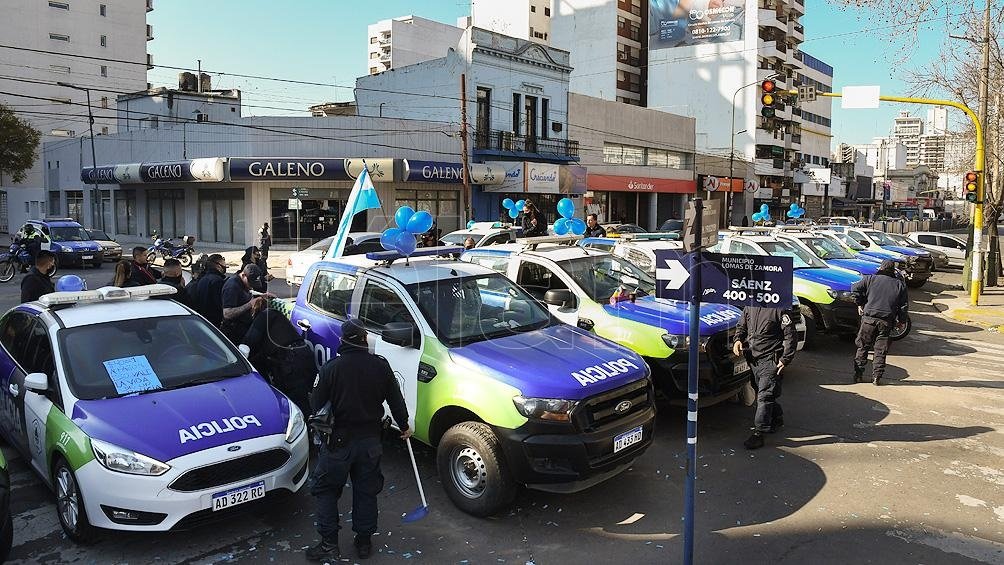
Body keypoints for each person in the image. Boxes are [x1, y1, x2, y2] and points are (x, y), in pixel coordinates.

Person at [306, 319, 411, 562]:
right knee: (366, 491)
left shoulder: (331, 368)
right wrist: (404, 425)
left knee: (326, 490)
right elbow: (396, 400)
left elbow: (316, 404)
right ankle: (364, 542)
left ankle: (329, 545)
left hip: (338, 444)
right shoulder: (380, 366)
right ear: (365, 340)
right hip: (371, 442)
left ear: (342, 341)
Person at [732, 305, 797, 450]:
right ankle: (776, 416)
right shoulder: (750, 305)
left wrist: (785, 359)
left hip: (770, 359)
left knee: (764, 396)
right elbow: (742, 325)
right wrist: (738, 339)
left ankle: (759, 433)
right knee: (759, 389)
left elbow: (791, 335)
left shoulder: (780, 308)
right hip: (753, 358)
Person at [240, 307, 315, 421]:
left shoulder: (263, 317)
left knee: (294, 406)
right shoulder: (276, 318)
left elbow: (248, 344)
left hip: (290, 362)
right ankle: (311, 431)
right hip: (304, 354)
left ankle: (302, 433)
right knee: (305, 401)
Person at [851, 259, 908, 386]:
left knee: (863, 347)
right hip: (886, 321)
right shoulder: (899, 285)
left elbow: (854, 288)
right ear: (893, 270)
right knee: (880, 350)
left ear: (881, 268)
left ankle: (858, 375)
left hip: (868, 319)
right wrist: (901, 321)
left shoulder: (869, 279)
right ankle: (877, 377)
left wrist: (860, 304)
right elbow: (903, 306)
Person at [221, 264, 271, 342]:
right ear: (243, 275)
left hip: (244, 327)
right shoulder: (232, 286)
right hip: (233, 333)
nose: (251, 286)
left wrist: (262, 295)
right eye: (250, 283)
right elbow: (227, 313)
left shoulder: (243, 283)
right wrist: (250, 304)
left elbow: (247, 293)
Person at [190, 254, 227, 327]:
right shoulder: (217, 281)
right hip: (214, 321)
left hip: (203, 319)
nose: (225, 267)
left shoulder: (203, 279)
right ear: (218, 266)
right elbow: (219, 303)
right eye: (224, 265)